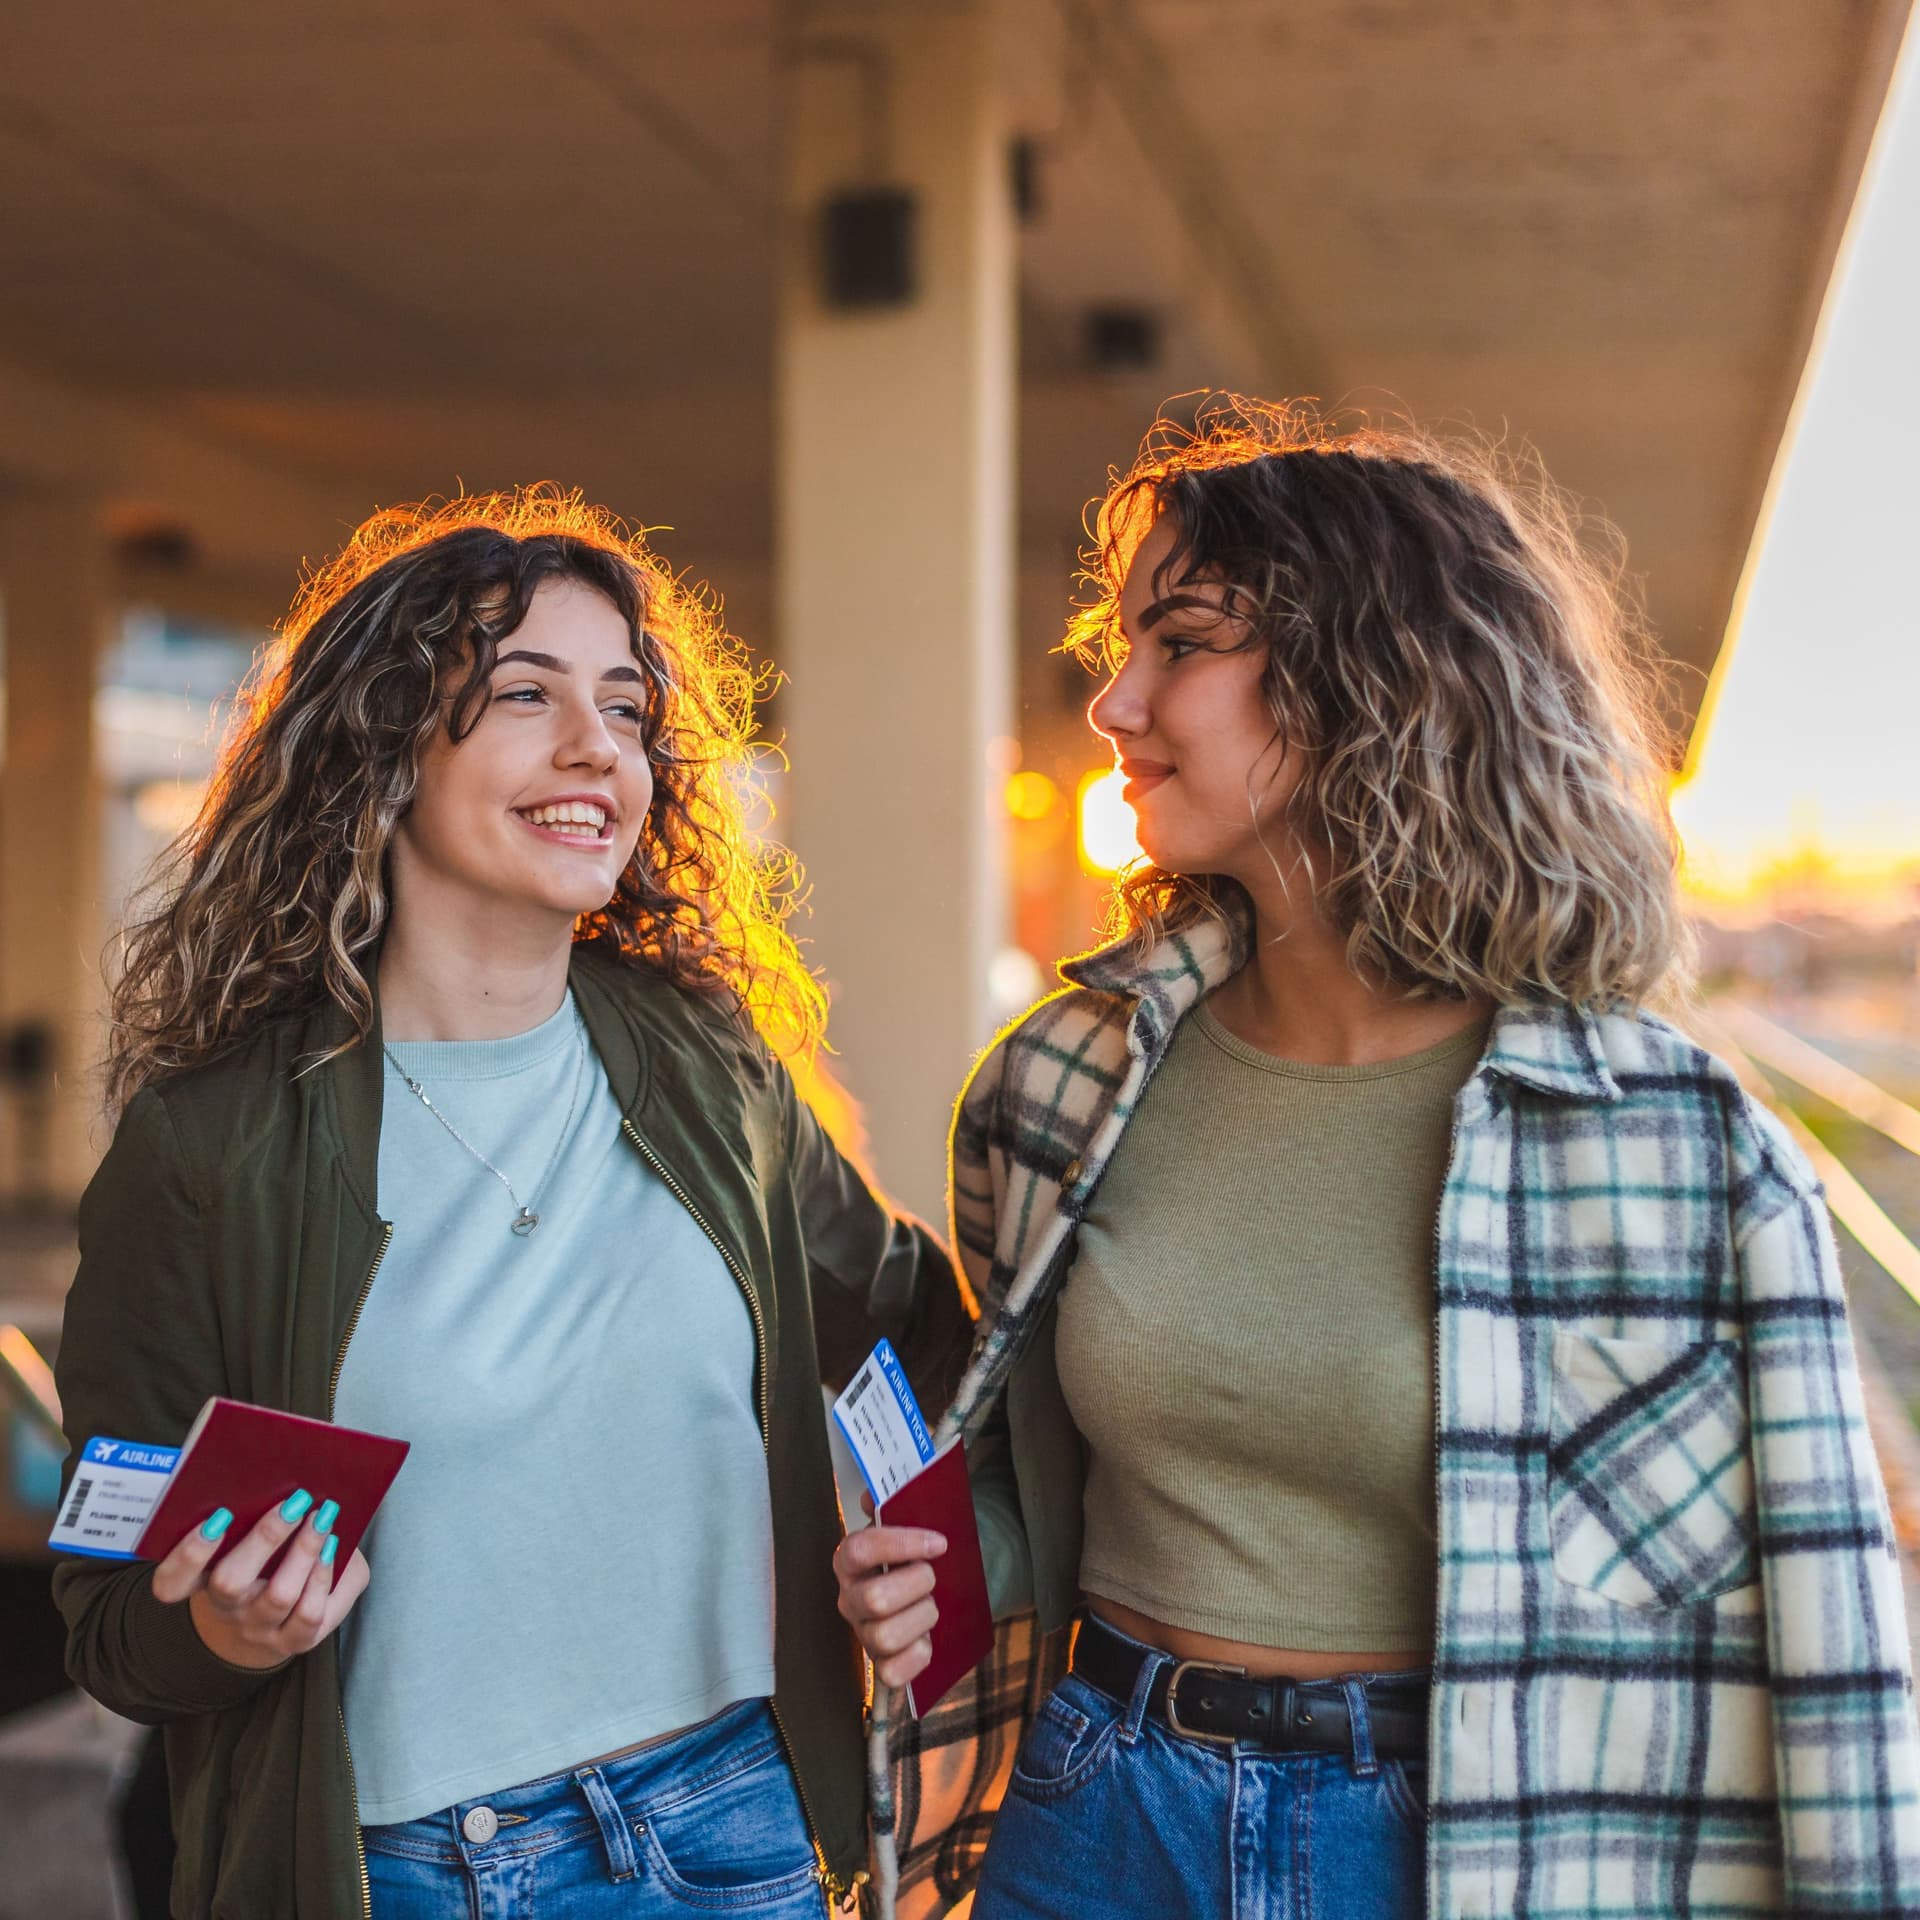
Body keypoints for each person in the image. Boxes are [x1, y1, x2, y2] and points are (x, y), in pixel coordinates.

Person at [835, 400, 1920, 1918]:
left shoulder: (1673, 1148)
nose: (1114, 702)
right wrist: (941, 1576)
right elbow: (1035, 1481)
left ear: (1374, 682)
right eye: (1122, 646)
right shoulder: (1060, 1089)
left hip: (1475, 1853)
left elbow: (1828, 1638)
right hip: (1096, 1814)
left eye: (1183, 643)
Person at [54, 489, 972, 1919]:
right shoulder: (211, 1147)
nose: (596, 745)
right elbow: (111, 1618)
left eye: (624, 705)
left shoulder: (707, 1062)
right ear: (383, 749)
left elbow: (918, 1331)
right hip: (412, 1867)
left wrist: (914, 1548)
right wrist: (224, 1630)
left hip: (741, 1829)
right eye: (525, 694)